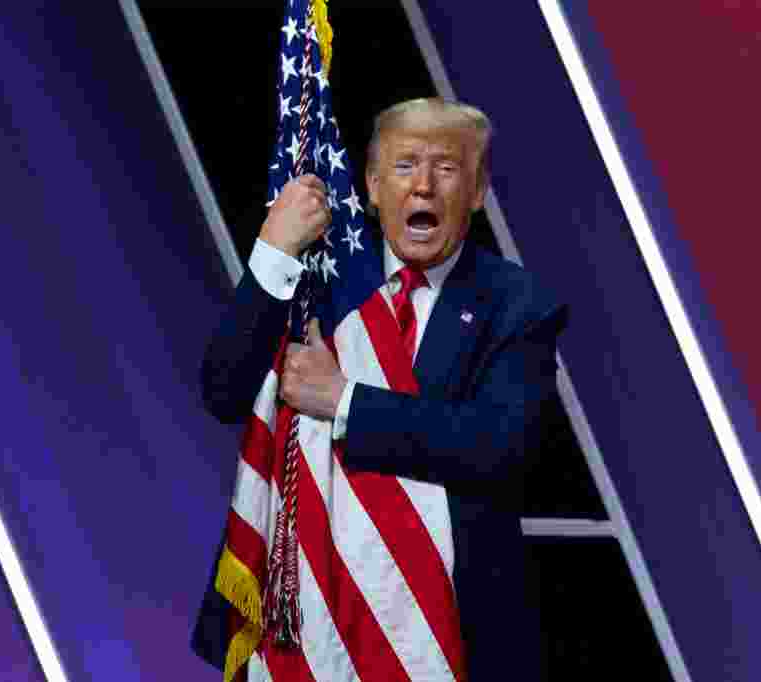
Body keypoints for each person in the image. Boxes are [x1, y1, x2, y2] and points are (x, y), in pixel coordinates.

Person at [194, 98, 565, 679]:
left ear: (476, 190)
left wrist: (344, 400)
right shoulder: (321, 287)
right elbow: (222, 391)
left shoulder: (517, 303)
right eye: (403, 166)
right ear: (370, 185)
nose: (423, 187)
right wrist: (271, 249)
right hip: (311, 624)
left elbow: (500, 444)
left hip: (450, 637)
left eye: (445, 167)